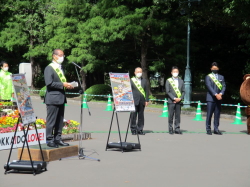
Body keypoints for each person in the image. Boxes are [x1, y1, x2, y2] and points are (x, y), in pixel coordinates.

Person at [44, 49, 74, 148]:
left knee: (60, 120)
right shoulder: (49, 68)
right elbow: (49, 83)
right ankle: (49, 140)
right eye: (60, 55)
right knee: (51, 120)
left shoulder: (61, 68)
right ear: (54, 56)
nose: (62, 57)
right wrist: (62, 84)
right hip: (52, 98)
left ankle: (58, 138)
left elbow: (61, 83)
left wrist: (67, 85)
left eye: (63, 55)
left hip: (61, 97)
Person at [205, 62, 226, 135]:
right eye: (213, 68)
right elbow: (209, 86)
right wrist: (216, 94)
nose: (215, 69)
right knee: (209, 114)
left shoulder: (221, 77)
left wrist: (221, 93)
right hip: (210, 98)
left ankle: (216, 129)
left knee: (217, 114)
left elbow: (224, 86)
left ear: (218, 68)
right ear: (211, 69)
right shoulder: (208, 77)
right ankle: (208, 129)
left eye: (216, 68)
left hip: (219, 98)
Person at [165, 66, 185, 135]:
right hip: (171, 101)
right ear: (171, 73)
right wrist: (174, 98)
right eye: (174, 72)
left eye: (176, 72)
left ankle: (177, 129)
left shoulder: (181, 81)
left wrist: (180, 98)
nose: (175, 73)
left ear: (178, 72)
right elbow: (168, 91)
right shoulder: (168, 80)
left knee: (177, 116)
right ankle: (170, 129)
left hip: (179, 101)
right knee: (171, 116)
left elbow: (183, 91)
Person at [130, 67, 149, 135]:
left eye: (140, 72)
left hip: (142, 100)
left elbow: (146, 91)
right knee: (133, 116)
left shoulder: (144, 80)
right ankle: (133, 129)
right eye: (137, 72)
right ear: (135, 73)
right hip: (134, 100)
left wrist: (147, 100)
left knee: (141, 116)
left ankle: (140, 129)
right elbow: (129, 91)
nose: (139, 73)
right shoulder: (131, 80)